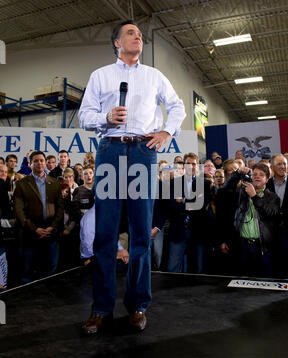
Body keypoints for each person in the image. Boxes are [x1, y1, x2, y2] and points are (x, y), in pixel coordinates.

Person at [78, 19, 186, 334]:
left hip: (143, 152)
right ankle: (101, 308)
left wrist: (167, 130)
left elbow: (177, 106)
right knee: (105, 233)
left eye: (139, 33)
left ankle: (138, 305)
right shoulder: (101, 75)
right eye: (130, 33)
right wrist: (105, 117)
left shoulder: (154, 75)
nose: (137, 36)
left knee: (141, 232)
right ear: (116, 42)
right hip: (111, 150)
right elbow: (85, 115)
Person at [220, 164, 280, 277]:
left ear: (267, 179)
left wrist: (254, 196)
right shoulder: (242, 193)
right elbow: (225, 189)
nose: (257, 177)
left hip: (263, 248)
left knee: (265, 282)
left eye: (261, 175)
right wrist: (237, 174)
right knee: (244, 284)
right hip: (242, 246)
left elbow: (270, 213)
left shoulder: (273, 197)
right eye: (254, 174)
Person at [14, 151, 64, 283]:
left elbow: (60, 208)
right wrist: (35, 229)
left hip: (51, 233)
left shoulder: (55, 183)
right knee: (27, 271)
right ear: (30, 164)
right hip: (30, 234)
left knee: (50, 269)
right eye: (36, 161)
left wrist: (52, 227)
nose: (39, 163)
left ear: (45, 163)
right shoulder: (21, 184)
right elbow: (19, 212)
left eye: (42, 160)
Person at [267, 154, 288, 278]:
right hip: (272, 236)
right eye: (279, 164)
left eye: (284, 164)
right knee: (276, 269)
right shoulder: (266, 186)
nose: (283, 167)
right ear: (272, 167)